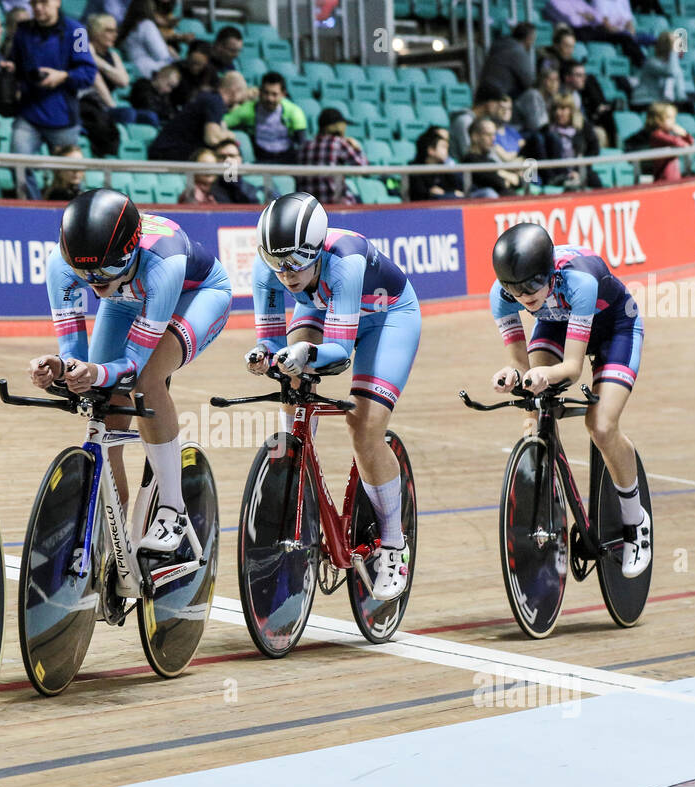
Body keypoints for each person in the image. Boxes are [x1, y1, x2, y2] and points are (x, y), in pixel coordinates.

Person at [29, 189, 233, 552]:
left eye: (105, 269)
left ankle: (173, 508)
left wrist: (96, 372)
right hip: (127, 299)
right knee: (103, 407)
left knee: (146, 380)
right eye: (83, 271)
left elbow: (132, 366)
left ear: (130, 251)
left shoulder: (163, 261)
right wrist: (61, 369)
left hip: (196, 295)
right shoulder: (61, 264)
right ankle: (112, 537)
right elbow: (77, 361)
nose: (93, 281)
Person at [246, 192, 422, 600]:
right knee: (292, 390)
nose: (285, 273)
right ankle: (300, 471)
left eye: (295, 262)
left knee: (363, 426)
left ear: (316, 248)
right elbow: (269, 341)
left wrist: (302, 354)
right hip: (323, 306)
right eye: (277, 263)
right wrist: (264, 357)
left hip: (386, 319)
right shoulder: (269, 266)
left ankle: (394, 545)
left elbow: (339, 355)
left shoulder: (345, 258)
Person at [489, 222, 650, 577]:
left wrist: (547, 374)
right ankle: (545, 503)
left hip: (615, 329)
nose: (524, 296)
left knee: (601, 425)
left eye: (532, 285)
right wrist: (514, 375)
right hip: (558, 323)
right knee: (531, 411)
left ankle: (636, 522)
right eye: (514, 289)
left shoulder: (579, 281)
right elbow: (519, 364)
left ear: (549, 272)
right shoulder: (502, 296)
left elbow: (573, 368)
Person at [6, 0, 97, 197]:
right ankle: (32, 207)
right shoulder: (23, 31)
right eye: (34, 3)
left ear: (57, 2)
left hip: (63, 115)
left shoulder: (77, 31)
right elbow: (16, 65)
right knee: (18, 164)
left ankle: (70, 214)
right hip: (29, 112)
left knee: (70, 174)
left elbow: (88, 73)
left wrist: (64, 76)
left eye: (43, 2)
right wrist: (11, 70)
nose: (38, 7)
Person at [147, 69, 247, 161]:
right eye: (242, 93)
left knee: (227, 156)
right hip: (168, 153)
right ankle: (230, 179)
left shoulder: (210, 98)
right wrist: (229, 135)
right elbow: (212, 139)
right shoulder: (215, 101)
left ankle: (231, 179)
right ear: (235, 90)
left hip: (172, 151)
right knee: (227, 155)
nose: (241, 101)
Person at [86, 12, 158, 126]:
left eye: (115, 31)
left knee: (150, 117)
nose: (115, 35)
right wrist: (112, 107)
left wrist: (100, 64)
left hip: (109, 104)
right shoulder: (86, 50)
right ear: (96, 32)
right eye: (109, 31)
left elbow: (124, 81)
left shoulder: (114, 55)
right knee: (127, 114)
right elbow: (96, 81)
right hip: (92, 105)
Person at [223, 71, 309, 164]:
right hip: (260, 158)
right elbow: (223, 122)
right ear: (260, 92)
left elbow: (302, 144)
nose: (269, 98)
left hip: (287, 158)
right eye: (266, 93)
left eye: (274, 94)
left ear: (283, 94)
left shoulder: (294, 112)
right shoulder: (247, 110)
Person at [295, 106, 367, 204]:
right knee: (357, 198)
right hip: (333, 203)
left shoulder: (304, 145)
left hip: (308, 204)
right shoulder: (338, 142)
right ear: (336, 126)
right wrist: (357, 148)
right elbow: (363, 167)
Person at [545, 0, 646, 67]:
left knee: (625, 37)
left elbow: (599, 18)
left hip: (591, 30)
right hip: (575, 32)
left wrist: (585, 16)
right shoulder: (553, 2)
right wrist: (587, 17)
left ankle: (642, 63)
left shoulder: (578, 1)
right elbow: (573, 21)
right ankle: (642, 64)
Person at [541, 93, 601, 188]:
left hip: (580, 171)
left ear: (571, 111)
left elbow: (594, 149)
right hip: (558, 176)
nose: (558, 113)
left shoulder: (583, 127)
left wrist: (578, 171)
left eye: (563, 109)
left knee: (595, 180)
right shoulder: (546, 131)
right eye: (555, 109)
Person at [462, 117, 521, 197]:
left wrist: (502, 174)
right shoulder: (469, 160)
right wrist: (504, 175)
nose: (493, 139)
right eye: (488, 134)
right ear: (475, 137)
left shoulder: (490, 160)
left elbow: (519, 182)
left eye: (494, 134)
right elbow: (500, 183)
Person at [450, 82, 507, 162]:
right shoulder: (464, 121)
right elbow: (469, 156)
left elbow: (490, 154)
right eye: (497, 104)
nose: (498, 109)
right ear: (489, 103)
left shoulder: (485, 121)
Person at [479, 22, 537, 100]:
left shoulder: (501, 45)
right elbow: (529, 82)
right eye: (533, 39)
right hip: (500, 96)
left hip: (483, 91)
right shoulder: (517, 51)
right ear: (529, 38)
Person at [632, 31, 689, 111]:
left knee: (688, 108)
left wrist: (685, 102)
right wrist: (673, 51)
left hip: (658, 103)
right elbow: (670, 72)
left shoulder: (675, 67)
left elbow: (680, 94)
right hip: (643, 101)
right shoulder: (651, 62)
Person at [119, 0, 174, 79]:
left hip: (136, 69)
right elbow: (162, 55)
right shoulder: (146, 25)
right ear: (149, 9)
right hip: (152, 71)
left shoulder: (127, 26)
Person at [409, 126, 465, 201]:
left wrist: (447, 193)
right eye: (443, 147)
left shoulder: (444, 168)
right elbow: (421, 194)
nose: (447, 152)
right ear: (431, 150)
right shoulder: (415, 169)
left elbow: (458, 189)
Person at [641, 101, 692, 180]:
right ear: (658, 119)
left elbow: (690, 143)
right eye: (669, 118)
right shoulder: (657, 135)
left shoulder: (669, 134)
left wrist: (685, 134)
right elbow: (680, 144)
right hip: (664, 179)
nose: (673, 121)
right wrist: (679, 132)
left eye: (674, 117)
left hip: (674, 177)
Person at [211, 138, 259, 203]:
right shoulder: (210, 188)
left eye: (232, 156)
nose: (227, 160)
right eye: (222, 157)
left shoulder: (251, 188)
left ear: (240, 159)